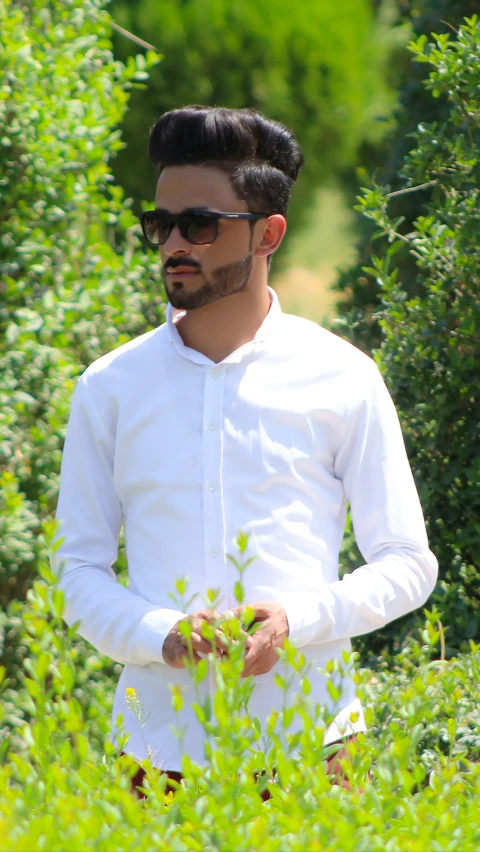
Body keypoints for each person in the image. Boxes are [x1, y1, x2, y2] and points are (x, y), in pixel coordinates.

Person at [51, 105, 438, 799]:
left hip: (310, 755)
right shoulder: (110, 387)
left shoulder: (343, 377)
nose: (174, 243)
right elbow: (77, 568)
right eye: (160, 225)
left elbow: (408, 563)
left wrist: (297, 620)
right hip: (154, 758)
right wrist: (160, 633)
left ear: (270, 233)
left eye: (199, 224)